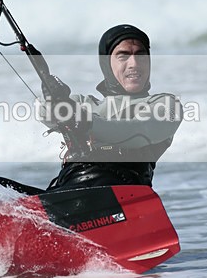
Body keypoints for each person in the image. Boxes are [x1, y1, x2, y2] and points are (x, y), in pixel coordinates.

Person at [38, 24, 183, 191]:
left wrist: (85, 121)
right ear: (106, 64)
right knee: (1, 187)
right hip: (67, 193)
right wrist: (52, 99)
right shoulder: (84, 104)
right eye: (123, 56)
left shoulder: (167, 105)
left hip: (123, 195)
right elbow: (44, 114)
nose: (134, 63)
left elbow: (140, 131)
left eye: (141, 56)